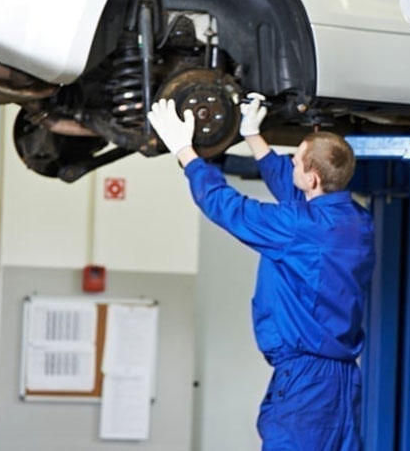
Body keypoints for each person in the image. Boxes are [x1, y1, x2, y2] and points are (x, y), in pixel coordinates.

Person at [147, 94, 374, 451]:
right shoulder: (359, 224)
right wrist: (253, 136)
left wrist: (184, 152)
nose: (290, 164)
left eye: (295, 160)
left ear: (313, 179)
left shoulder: (298, 229)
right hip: (342, 380)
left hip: (305, 385)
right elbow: (293, 188)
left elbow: (228, 207)